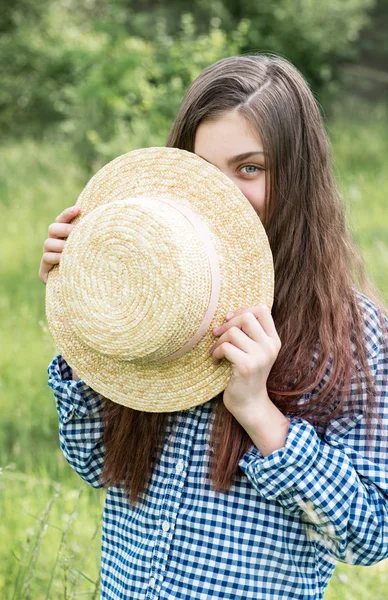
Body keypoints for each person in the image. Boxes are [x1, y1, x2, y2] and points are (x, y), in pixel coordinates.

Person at [39, 54, 388, 600]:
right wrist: (88, 307)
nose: (222, 193)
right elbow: (96, 463)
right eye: (204, 169)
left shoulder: (350, 332)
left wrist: (259, 413)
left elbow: (370, 533)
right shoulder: (159, 309)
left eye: (249, 168)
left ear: (296, 177)